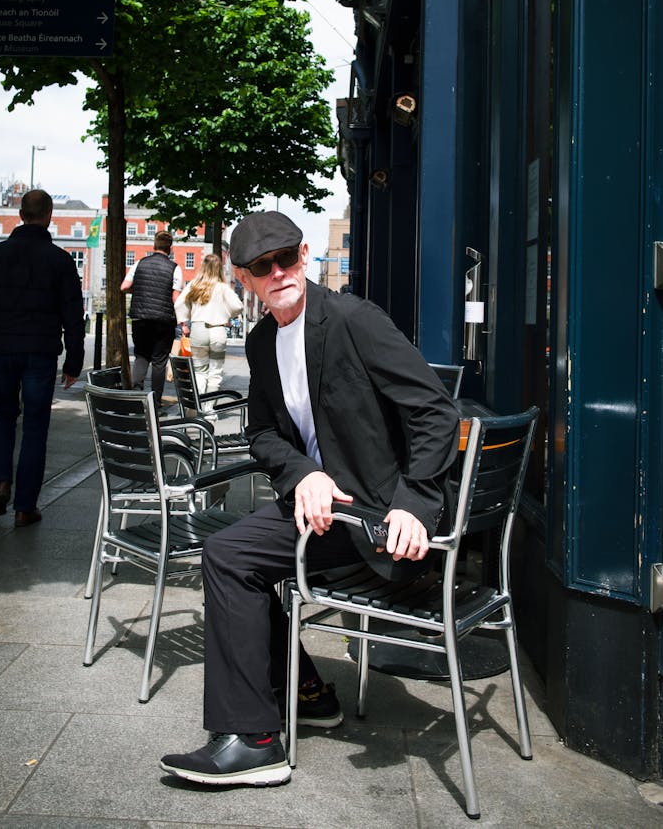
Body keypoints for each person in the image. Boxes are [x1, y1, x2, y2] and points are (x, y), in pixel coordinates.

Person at [160, 210, 460, 787]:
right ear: (243, 279)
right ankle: (308, 694)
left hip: (377, 516)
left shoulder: (354, 319)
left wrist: (414, 502)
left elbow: (436, 412)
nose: (279, 273)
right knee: (231, 555)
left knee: (233, 559)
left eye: (287, 258)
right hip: (325, 508)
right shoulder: (262, 341)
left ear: (303, 256)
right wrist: (303, 475)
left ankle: (253, 742)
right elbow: (264, 433)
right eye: (260, 267)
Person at [0, 189, 85, 528]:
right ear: (49, 216)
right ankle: (24, 507)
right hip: (40, 353)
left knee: (2, 418)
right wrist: (74, 361)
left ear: (20, 214)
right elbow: (73, 316)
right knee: (35, 426)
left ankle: (1, 481)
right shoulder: (60, 260)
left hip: (1, 350)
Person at [121, 230, 182, 405]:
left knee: (141, 356)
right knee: (159, 362)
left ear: (154, 246)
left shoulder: (139, 263)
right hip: (163, 320)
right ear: (170, 249)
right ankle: (155, 402)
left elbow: (124, 286)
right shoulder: (175, 268)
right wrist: (183, 320)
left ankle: (136, 396)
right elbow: (175, 297)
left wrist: (139, 290)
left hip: (140, 317)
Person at [174, 253, 243, 394]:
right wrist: (225, 314)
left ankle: (200, 408)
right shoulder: (222, 287)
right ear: (219, 269)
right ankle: (209, 411)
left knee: (200, 371)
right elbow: (238, 306)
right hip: (218, 330)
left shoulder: (194, 285)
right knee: (215, 373)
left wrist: (186, 319)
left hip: (199, 330)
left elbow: (179, 304)